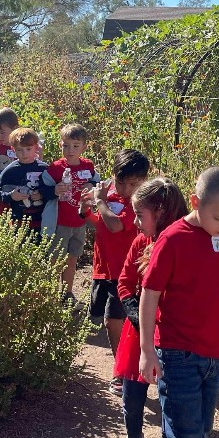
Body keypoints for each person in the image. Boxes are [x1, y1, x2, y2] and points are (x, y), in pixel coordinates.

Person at [139, 166, 219, 438]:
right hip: (178, 353)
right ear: (196, 202)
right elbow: (149, 294)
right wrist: (146, 349)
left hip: (214, 354)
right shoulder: (173, 239)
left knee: (198, 431)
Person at [114, 177, 188, 438]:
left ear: (159, 211)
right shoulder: (141, 242)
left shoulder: (185, 243)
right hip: (141, 331)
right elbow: (124, 281)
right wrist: (135, 313)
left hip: (173, 334)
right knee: (132, 392)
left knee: (173, 400)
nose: (134, 222)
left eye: (139, 215)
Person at [78, 149, 151, 394]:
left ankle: (122, 372)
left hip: (127, 273)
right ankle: (126, 367)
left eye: (133, 184)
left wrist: (99, 202)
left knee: (113, 321)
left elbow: (117, 226)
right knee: (111, 322)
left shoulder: (140, 203)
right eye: (121, 182)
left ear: (143, 182)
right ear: (113, 176)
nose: (125, 189)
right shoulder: (109, 193)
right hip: (104, 268)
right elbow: (101, 225)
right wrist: (86, 209)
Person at [46, 123, 100, 304]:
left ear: (84, 147)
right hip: (60, 222)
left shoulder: (88, 165)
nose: (70, 150)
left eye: (76, 146)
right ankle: (51, 294)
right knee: (55, 259)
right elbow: (42, 188)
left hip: (80, 222)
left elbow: (96, 180)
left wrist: (91, 185)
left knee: (72, 258)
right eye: (65, 145)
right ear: (60, 144)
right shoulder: (55, 167)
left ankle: (67, 293)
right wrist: (54, 189)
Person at [0, 128, 65, 241]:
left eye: (28, 149)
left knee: (41, 254)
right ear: (13, 150)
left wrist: (42, 194)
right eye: (20, 150)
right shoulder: (10, 170)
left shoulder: (44, 168)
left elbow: (53, 192)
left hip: (42, 221)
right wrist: (11, 196)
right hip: (19, 222)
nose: (24, 153)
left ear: (36, 148)